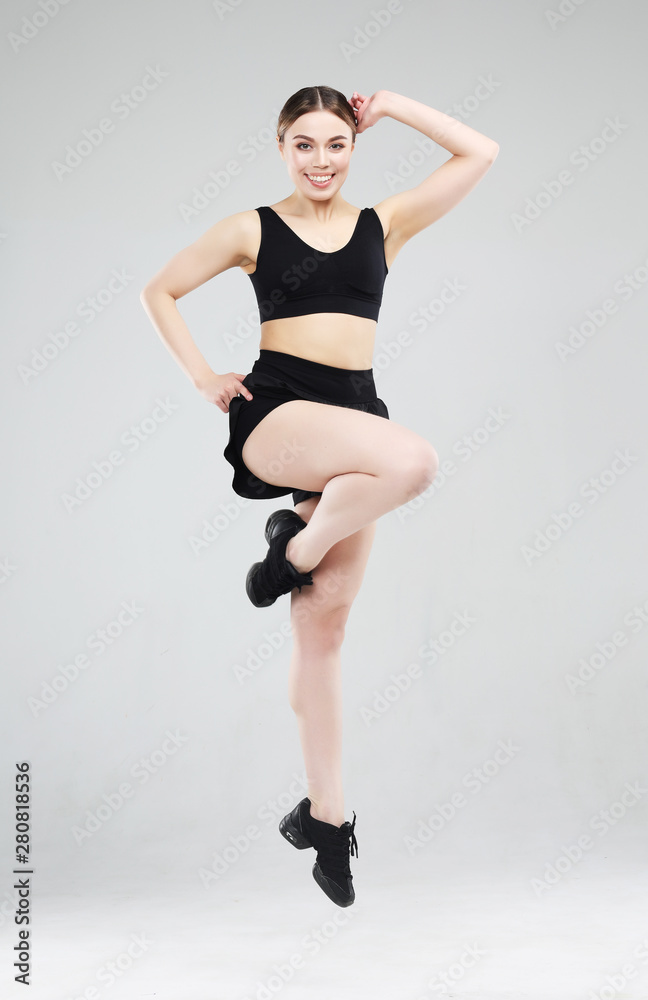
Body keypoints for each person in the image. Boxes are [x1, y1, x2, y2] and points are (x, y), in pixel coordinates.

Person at [140, 85, 499, 907]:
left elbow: (481, 154)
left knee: (323, 625)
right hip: (277, 415)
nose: (322, 160)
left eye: (336, 143)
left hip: (351, 418)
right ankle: (290, 548)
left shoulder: (385, 225)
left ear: (354, 147)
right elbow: (158, 290)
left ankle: (325, 818)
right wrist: (204, 376)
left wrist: (399, 104)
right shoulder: (253, 229)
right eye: (305, 145)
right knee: (414, 463)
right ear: (282, 150)